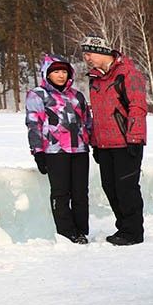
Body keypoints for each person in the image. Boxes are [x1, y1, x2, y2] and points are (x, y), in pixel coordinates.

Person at [81, 34, 147, 245]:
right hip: (104, 142)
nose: (87, 58)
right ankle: (123, 227)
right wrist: (94, 141)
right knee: (110, 187)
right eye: (85, 54)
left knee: (126, 188)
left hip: (126, 142)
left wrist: (135, 138)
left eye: (89, 53)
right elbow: (97, 113)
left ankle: (133, 232)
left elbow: (137, 107)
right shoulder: (94, 79)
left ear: (101, 53)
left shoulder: (128, 74)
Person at [25, 54, 92, 244]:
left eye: (64, 71)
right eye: (56, 71)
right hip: (54, 151)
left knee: (80, 192)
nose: (61, 75)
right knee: (61, 193)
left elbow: (87, 121)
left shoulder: (77, 95)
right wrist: (38, 151)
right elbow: (33, 124)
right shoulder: (38, 95)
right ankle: (66, 231)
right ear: (47, 73)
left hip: (79, 149)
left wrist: (92, 142)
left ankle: (81, 230)